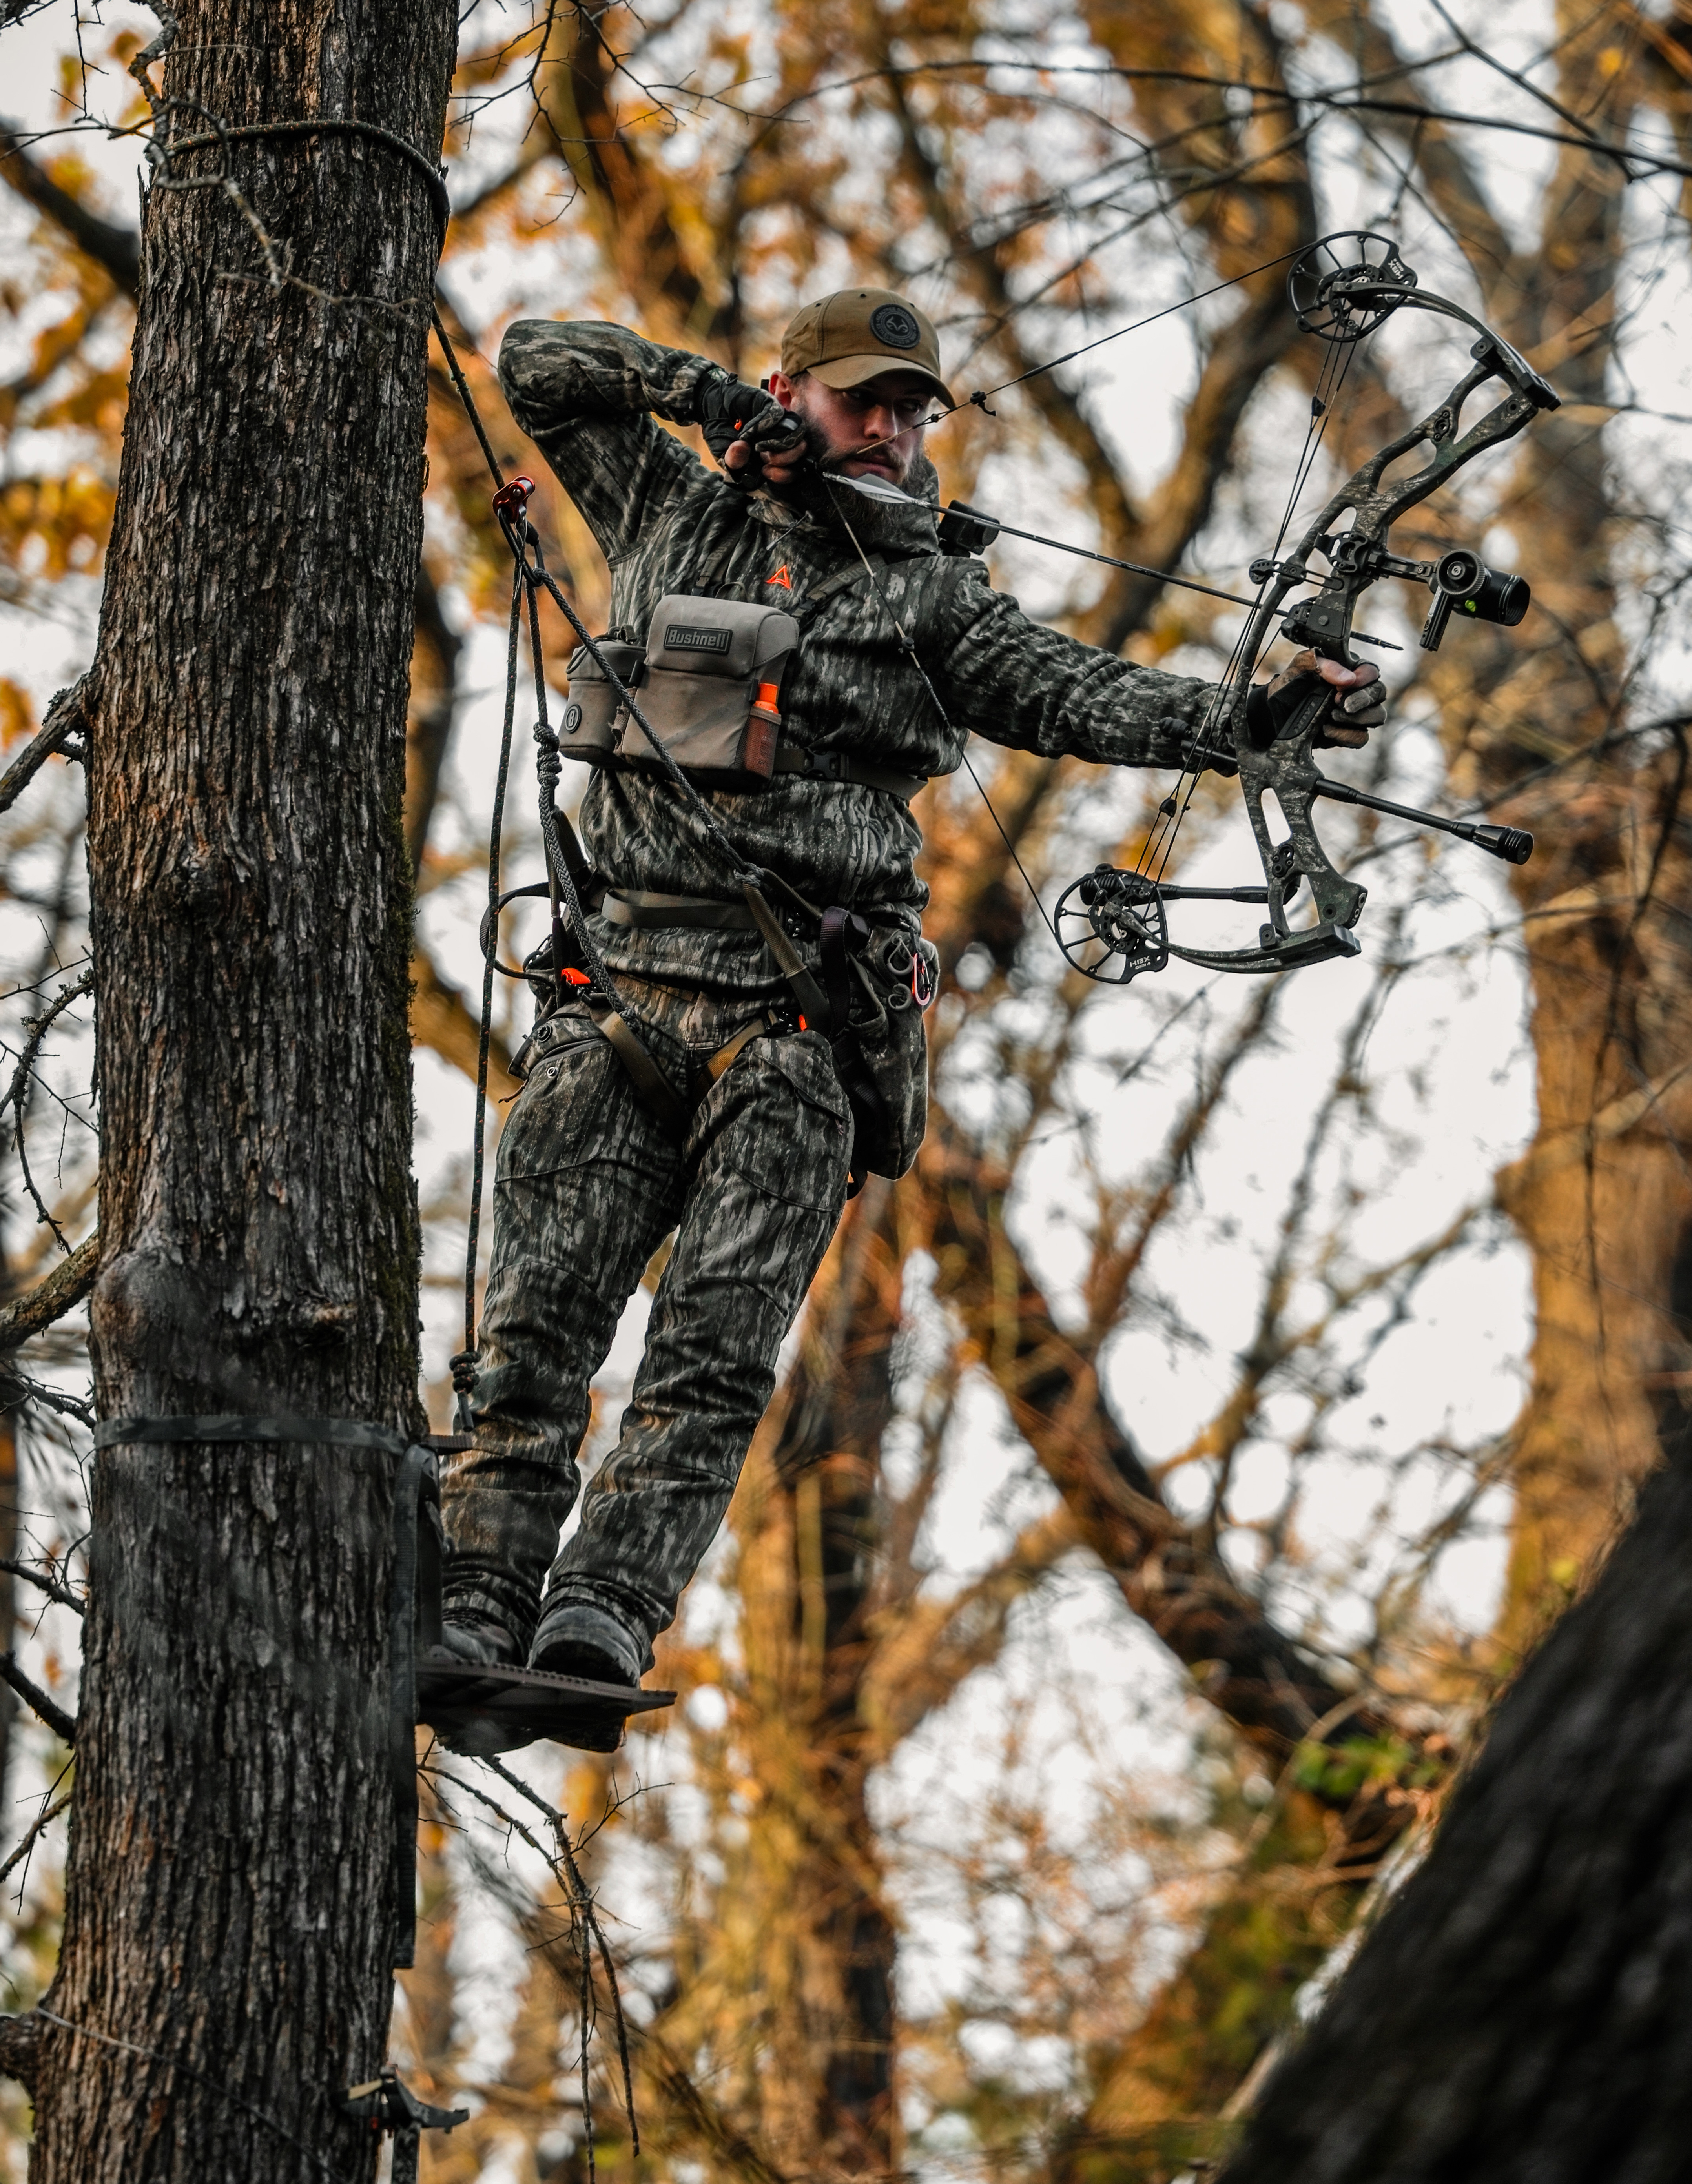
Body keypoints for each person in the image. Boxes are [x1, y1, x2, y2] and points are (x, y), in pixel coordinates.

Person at [423, 288, 1386, 1756]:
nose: (888, 426)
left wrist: (1257, 712)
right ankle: (475, 1603)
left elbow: (1081, 694)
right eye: (859, 397)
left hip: (799, 1034)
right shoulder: (673, 510)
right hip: (612, 1000)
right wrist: (702, 397)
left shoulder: (930, 599)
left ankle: (598, 1619)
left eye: (910, 406)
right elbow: (539, 362)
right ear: (789, 393)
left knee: (711, 1356)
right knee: (531, 1341)